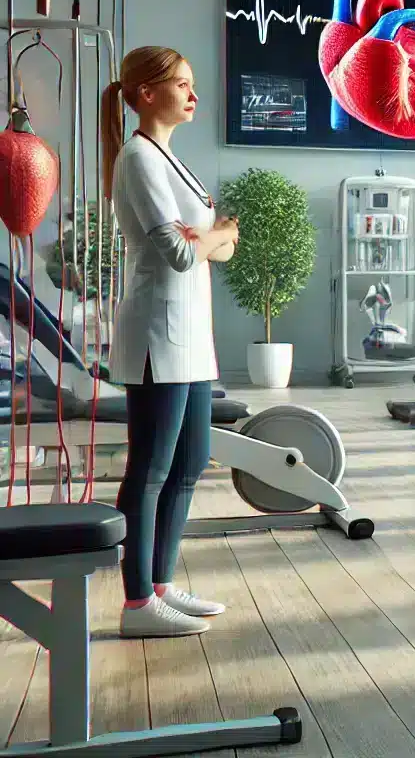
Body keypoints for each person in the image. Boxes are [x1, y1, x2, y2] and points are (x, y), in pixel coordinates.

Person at [100, 46, 237, 637]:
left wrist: (210, 236)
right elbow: (181, 252)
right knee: (150, 470)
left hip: (192, 335)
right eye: (183, 85)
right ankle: (136, 606)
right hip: (158, 331)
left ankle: (160, 583)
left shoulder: (172, 160)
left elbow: (213, 247)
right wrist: (215, 232)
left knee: (189, 464)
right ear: (147, 93)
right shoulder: (138, 158)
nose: (194, 95)